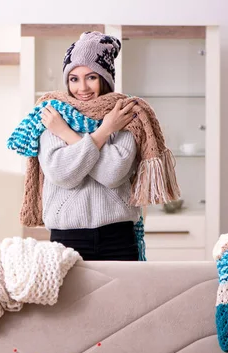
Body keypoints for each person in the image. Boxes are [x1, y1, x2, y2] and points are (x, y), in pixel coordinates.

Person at [38, 31, 141, 261]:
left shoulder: (124, 118)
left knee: (125, 299)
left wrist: (68, 134)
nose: (82, 87)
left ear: (105, 79)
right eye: (74, 79)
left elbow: (113, 173)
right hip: (66, 240)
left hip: (118, 238)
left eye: (91, 77)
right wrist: (104, 131)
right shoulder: (52, 118)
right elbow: (62, 174)